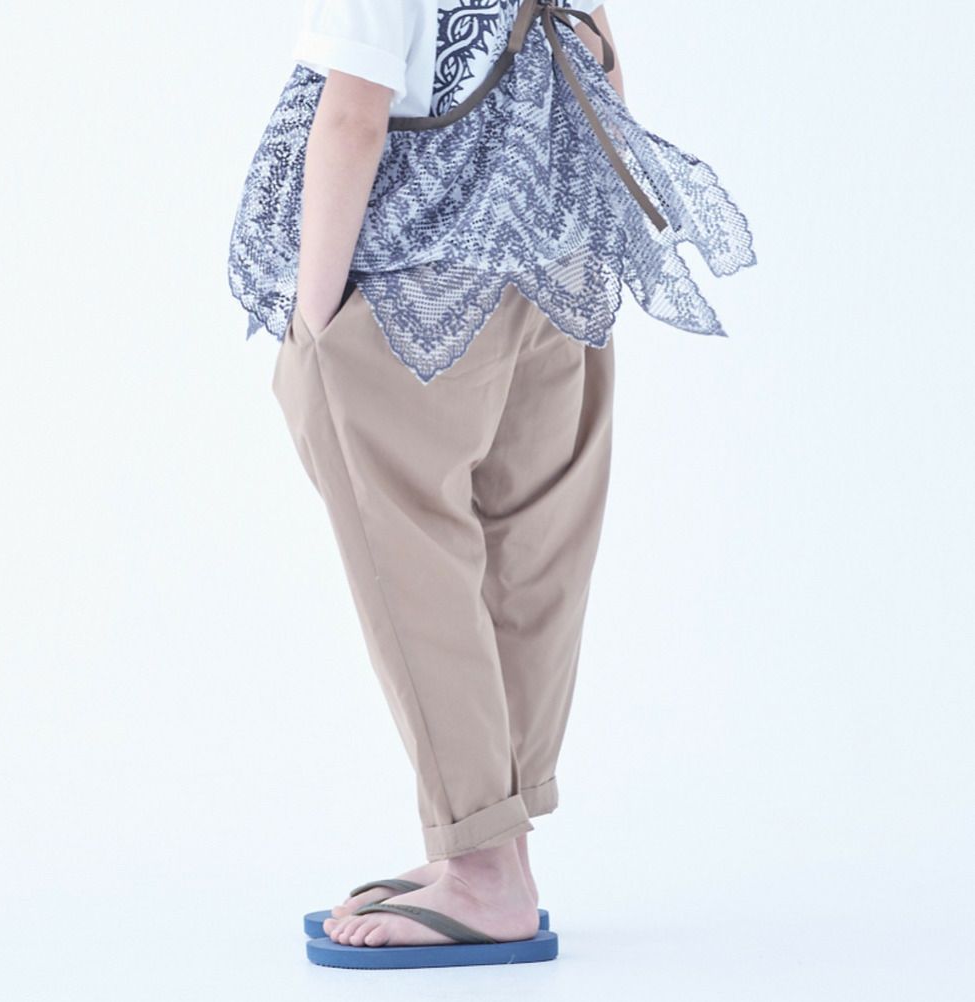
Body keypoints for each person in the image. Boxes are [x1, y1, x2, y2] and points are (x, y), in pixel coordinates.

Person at [228, 0, 756, 965]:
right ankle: (495, 851)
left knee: (411, 561)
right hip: (554, 269)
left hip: (416, 286)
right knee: (531, 551)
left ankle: (481, 873)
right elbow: (600, 62)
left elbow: (352, 117)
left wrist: (314, 322)